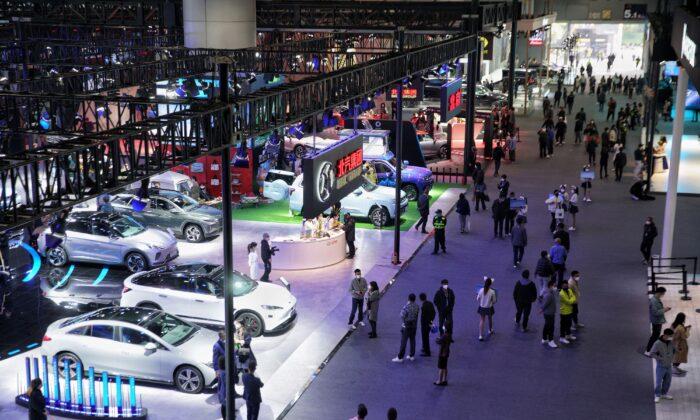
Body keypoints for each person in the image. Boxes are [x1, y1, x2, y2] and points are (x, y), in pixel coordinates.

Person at [650, 328, 677, 403]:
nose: (671, 337)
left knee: (667, 381)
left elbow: (674, 350)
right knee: (659, 382)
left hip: (669, 366)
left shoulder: (671, 343)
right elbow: (652, 353)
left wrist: (675, 353)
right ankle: (657, 395)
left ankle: (664, 393)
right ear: (666, 335)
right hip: (661, 366)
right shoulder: (657, 343)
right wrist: (660, 358)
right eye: (670, 336)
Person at [392, 293, 420, 362]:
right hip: (414, 325)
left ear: (408, 299)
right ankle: (411, 355)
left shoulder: (407, 306)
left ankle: (400, 357)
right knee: (412, 340)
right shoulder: (417, 306)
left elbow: (402, 315)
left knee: (403, 342)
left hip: (407, 325)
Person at [645, 287, 671, 355]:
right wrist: (665, 310)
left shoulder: (656, 299)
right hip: (656, 321)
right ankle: (648, 350)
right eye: (663, 293)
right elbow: (655, 312)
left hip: (658, 320)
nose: (663, 295)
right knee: (655, 336)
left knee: (656, 335)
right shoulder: (654, 301)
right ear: (660, 292)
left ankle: (653, 349)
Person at [476, 277, 497, 341]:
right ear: (490, 284)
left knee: (482, 320)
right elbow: (494, 301)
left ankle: (480, 335)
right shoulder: (492, 292)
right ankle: (490, 330)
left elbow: (477, 299)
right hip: (489, 308)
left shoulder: (481, 290)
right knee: (490, 318)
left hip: (482, 307)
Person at [540, 279, 558, 348]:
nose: (555, 287)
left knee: (547, 325)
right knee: (551, 327)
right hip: (549, 313)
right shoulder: (549, 295)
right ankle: (551, 341)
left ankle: (544, 338)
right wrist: (541, 309)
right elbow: (545, 304)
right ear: (550, 286)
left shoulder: (549, 292)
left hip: (548, 313)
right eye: (554, 286)